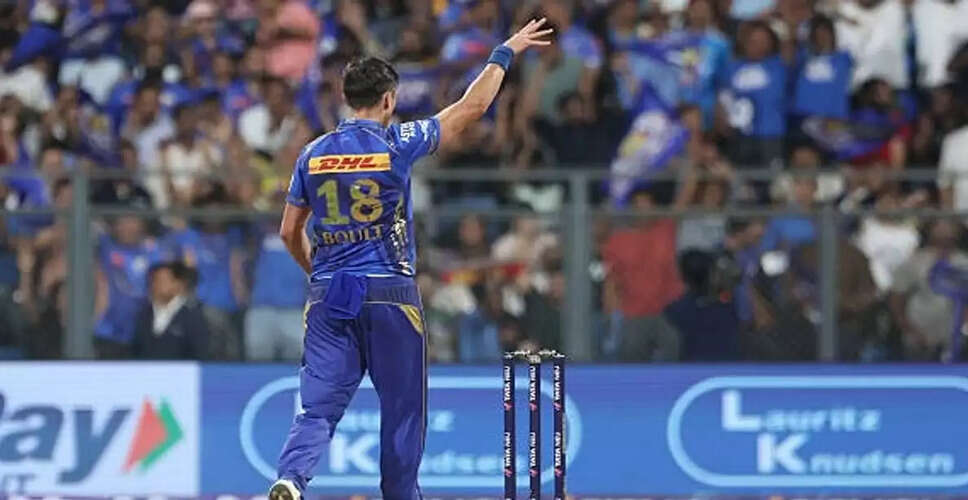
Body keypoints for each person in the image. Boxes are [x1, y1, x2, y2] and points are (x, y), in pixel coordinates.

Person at [269, 19, 553, 500]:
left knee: (317, 407)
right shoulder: (396, 142)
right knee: (402, 411)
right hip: (389, 291)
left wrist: (319, 272)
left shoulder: (312, 154)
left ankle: (291, 478)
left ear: (346, 97)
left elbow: (288, 231)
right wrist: (503, 52)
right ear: (388, 100)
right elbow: (472, 107)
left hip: (330, 292)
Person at [131, 261, 209, 360]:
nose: (155, 285)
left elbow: (201, 353)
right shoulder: (142, 315)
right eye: (153, 281)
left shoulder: (194, 316)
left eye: (161, 281)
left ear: (178, 284)